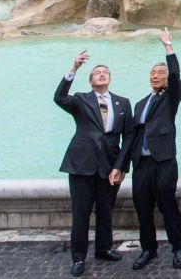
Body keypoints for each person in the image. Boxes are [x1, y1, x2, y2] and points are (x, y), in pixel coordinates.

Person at [54, 50, 134, 277]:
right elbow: (59, 98)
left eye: (105, 72)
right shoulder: (80, 99)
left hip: (110, 165)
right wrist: (73, 69)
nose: (101, 74)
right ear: (90, 81)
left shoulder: (123, 103)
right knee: (81, 213)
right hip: (81, 164)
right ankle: (78, 257)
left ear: (110, 78)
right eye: (97, 72)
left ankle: (104, 248)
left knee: (106, 210)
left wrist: (121, 166)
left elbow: (128, 137)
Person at [121, 28, 181, 271]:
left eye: (160, 73)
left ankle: (178, 246)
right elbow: (130, 137)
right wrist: (121, 166)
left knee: (167, 203)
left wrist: (168, 47)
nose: (155, 76)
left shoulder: (171, 97)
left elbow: (177, 76)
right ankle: (148, 248)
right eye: (153, 73)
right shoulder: (140, 103)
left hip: (164, 160)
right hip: (142, 163)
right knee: (143, 207)